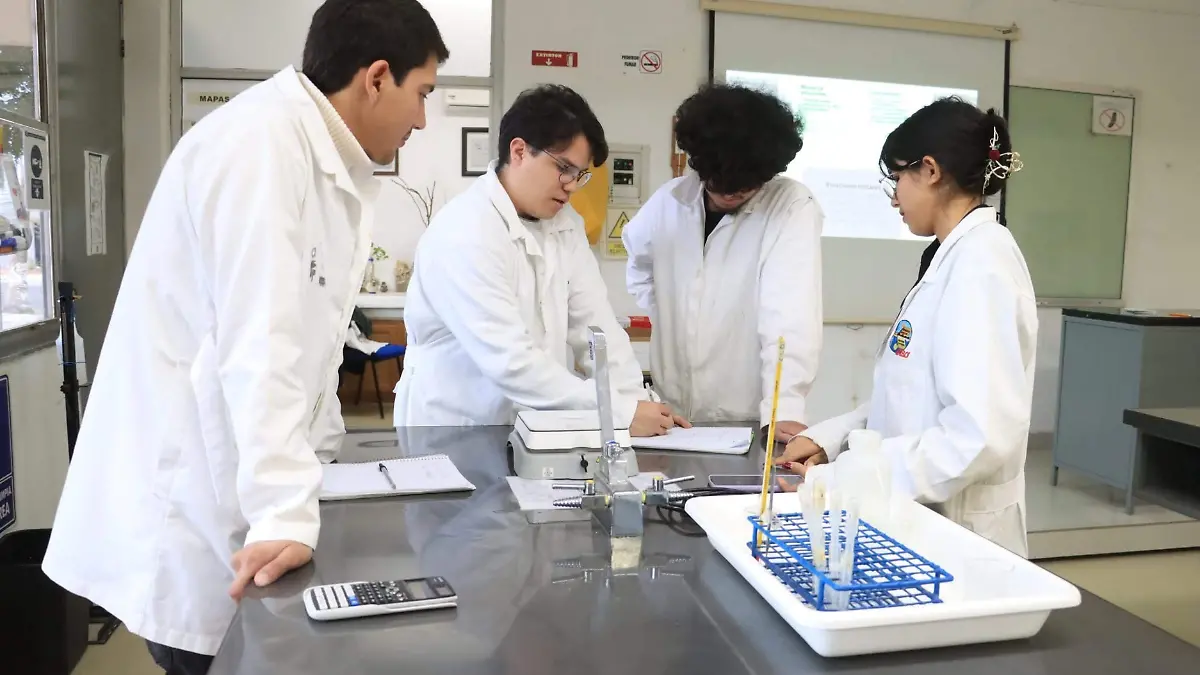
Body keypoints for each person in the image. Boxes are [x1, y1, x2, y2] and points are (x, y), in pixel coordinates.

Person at [40, 1, 449, 672]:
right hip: (197, 512)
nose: (421, 120)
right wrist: (286, 512)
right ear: (377, 77)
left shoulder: (317, 160)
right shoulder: (261, 148)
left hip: (236, 504)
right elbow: (262, 350)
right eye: (422, 94)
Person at [777, 97, 1035, 557]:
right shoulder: (949, 255)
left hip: (960, 535)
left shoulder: (981, 264)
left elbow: (977, 438)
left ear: (931, 170)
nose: (894, 196)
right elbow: (911, 395)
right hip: (920, 516)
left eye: (897, 178)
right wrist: (830, 439)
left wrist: (846, 475)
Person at [394, 85, 684, 436]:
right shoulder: (465, 232)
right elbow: (510, 363)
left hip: (534, 426)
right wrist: (620, 413)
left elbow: (597, 328)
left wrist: (639, 404)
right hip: (457, 427)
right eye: (564, 168)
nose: (572, 185)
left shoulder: (565, 226)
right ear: (519, 151)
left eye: (580, 174)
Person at [621, 83, 823, 440]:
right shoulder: (669, 202)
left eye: (745, 185)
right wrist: (674, 318)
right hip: (673, 412)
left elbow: (789, 313)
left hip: (747, 416)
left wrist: (784, 408)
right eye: (719, 182)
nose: (731, 193)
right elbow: (639, 267)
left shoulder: (791, 206)